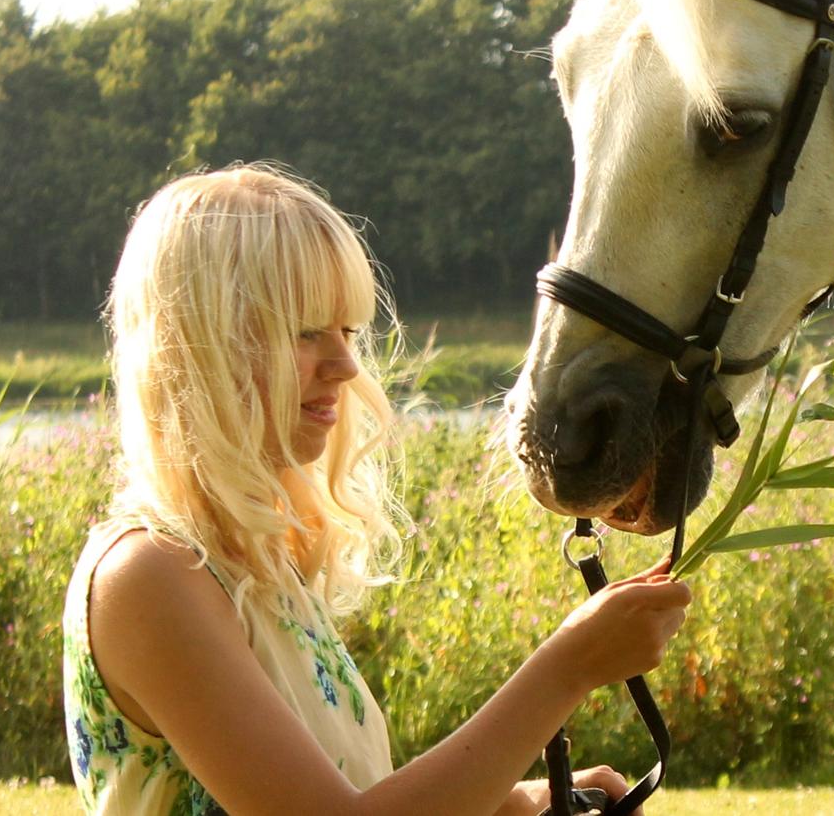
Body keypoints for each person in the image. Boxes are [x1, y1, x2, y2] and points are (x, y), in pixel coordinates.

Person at [62, 163, 691, 815]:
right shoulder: (148, 577)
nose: (345, 366)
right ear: (199, 345)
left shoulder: (258, 567)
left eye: (349, 332)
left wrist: (520, 803)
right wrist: (568, 668)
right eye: (306, 333)